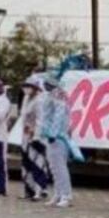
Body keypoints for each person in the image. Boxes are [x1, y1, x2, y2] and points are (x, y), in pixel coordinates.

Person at [42, 74, 74, 208]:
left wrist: (53, 133)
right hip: (50, 135)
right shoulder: (51, 95)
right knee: (53, 167)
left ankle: (66, 195)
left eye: (46, 82)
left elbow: (59, 115)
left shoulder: (58, 95)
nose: (44, 84)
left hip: (58, 136)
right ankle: (58, 193)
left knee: (60, 167)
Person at [19, 75, 50, 201]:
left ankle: (39, 191)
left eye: (29, 86)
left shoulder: (40, 100)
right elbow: (23, 116)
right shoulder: (26, 98)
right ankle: (29, 190)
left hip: (36, 136)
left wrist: (36, 135)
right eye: (26, 86)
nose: (26, 89)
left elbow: (40, 120)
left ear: (36, 88)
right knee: (26, 164)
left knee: (37, 163)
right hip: (25, 135)